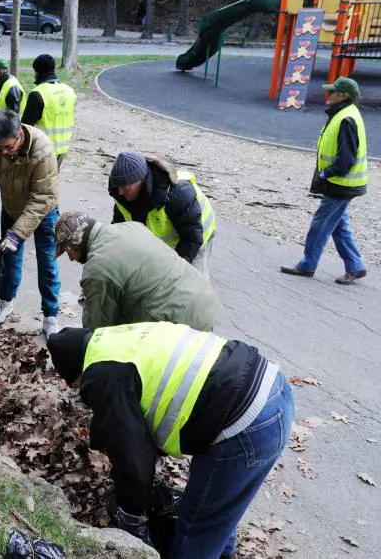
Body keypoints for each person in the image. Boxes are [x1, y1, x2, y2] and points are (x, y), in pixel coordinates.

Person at [47, 322, 294, 559]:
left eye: (74, 386)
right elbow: (143, 401)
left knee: (194, 531)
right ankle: (224, 551)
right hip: (271, 388)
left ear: (75, 375)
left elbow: (133, 458)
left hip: (245, 424)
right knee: (216, 510)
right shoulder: (116, 339)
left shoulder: (99, 374)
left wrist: (130, 513)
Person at [0, 110, 61, 337]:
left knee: (47, 262)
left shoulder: (43, 149)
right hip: (11, 208)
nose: (4, 152)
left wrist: (17, 234)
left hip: (44, 212)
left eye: (8, 147)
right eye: (0, 148)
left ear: (19, 135)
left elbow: (43, 197)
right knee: (8, 258)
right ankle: (6, 301)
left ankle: (50, 315)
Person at [54, 211, 221, 331]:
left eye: (69, 252)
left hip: (183, 324)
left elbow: (97, 332)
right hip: (206, 304)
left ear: (76, 243)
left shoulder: (97, 269)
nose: (71, 259)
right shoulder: (130, 227)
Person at [281, 77, 368, 284]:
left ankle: (307, 265)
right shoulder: (346, 114)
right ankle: (356, 266)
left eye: (333, 92)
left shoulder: (345, 118)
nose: (328, 95)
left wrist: (325, 173)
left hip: (340, 183)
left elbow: (346, 159)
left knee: (319, 227)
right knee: (339, 226)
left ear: (344, 96)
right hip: (344, 183)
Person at [109, 151, 216, 279]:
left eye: (125, 187)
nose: (120, 192)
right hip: (169, 237)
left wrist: (172, 273)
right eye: (118, 186)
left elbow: (191, 239)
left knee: (190, 284)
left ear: (141, 179)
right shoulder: (123, 195)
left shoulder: (177, 194)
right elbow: (120, 231)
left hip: (197, 235)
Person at [21, 54, 76, 169]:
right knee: (51, 182)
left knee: (39, 185)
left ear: (36, 71)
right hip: (62, 148)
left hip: (43, 149)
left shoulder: (38, 93)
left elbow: (25, 126)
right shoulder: (69, 90)